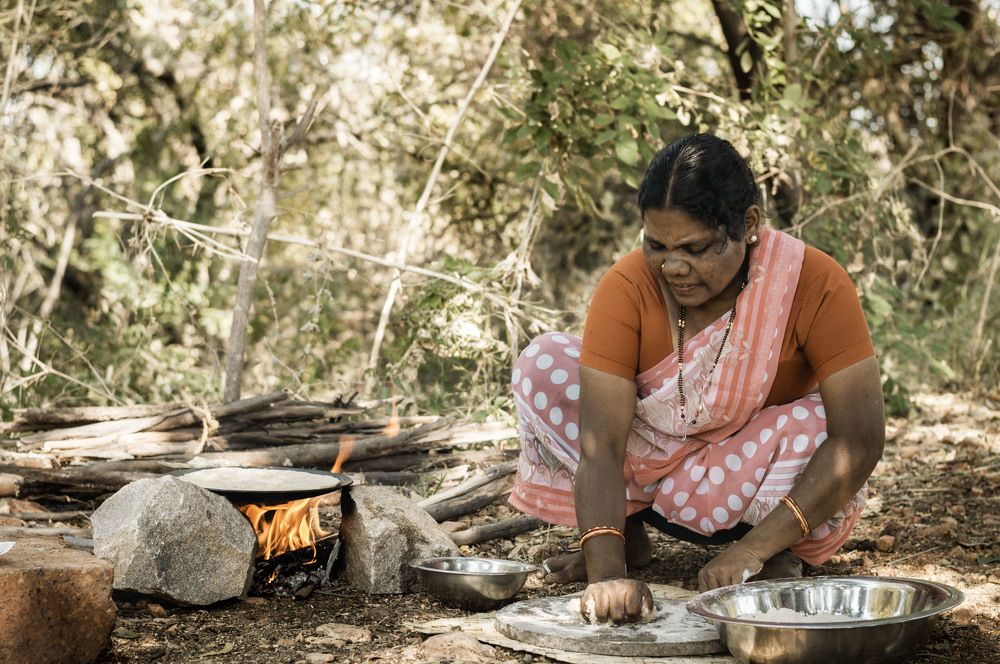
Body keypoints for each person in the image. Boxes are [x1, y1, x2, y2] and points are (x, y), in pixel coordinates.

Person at [508, 133, 885, 624]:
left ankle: (775, 549)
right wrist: (606, 575)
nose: (673, 267)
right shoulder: (628, 286)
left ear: (748, 224)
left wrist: (751, 550)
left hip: (750, 477)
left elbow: (860, 439)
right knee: (545, 363)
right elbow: (601, 447)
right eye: (656, 245)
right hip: (645, 474)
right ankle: (624, 536)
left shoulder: (812, 282)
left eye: (695, 248)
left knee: (820, 424)